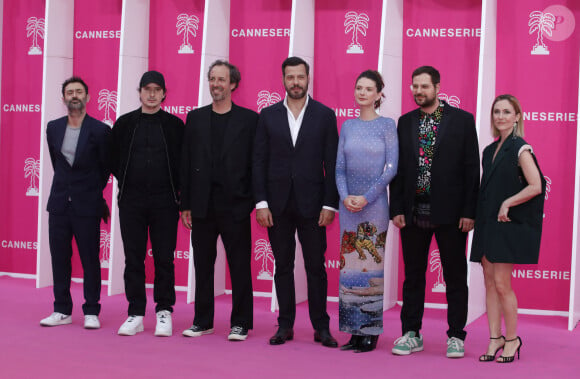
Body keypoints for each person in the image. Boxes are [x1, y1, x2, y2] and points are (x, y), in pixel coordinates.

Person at [390, 66, 479, 358]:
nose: (418, 91)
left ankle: (456, 335)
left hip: (452, 214)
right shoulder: (404, 122)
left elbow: (470, 170)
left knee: (455, 276)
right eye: (414, 86)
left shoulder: (463, 121)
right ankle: (411, 333)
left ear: (438, 87)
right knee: (413, 276)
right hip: (413, 213)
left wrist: (469, 211)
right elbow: (399, 170)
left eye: (424, 86)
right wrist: (397, 208)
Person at [253, 56, 339, 348]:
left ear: (308, 78)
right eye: (290, 77)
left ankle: (321, 327)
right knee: (283, 266)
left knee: (316, 267)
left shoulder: (325, 115)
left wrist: (330, 205)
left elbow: (332, 163)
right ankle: (285, 325)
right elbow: (259, 162)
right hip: (276, 206)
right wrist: (261, 203)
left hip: (314, 205)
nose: (295, 82)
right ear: (283, 80)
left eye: (300, 77)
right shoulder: (267, 115)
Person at [180, 60, 257, 341]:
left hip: (235, 205)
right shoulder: (195, 118)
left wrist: (249, 201)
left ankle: (241, 323)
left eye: (222, 79)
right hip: (201, 205)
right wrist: (185, 203)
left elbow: (255, 164)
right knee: (202, 265)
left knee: (239, 266)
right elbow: (186, 163)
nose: (216, 84)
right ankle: (203, 320)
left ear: (233, 84)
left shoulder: (250, 120)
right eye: (212, 79)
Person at [471, 94, 545, 363]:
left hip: (505, 225)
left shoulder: (520, 147)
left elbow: (536, 185)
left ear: (517, 117)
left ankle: (512, 339)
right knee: (489, 284)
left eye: (506, 112)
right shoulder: (489, 151)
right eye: (496, 112)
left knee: (502, 285)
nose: (500, 116)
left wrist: (508, 203)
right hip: (487, 224)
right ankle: (495, 339)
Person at [110, 71, 184, 337]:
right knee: (134, 259)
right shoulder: (124, 124)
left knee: (165, 258)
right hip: (131, 201)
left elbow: (184, 165)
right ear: (139, 92)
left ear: (164, 93)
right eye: (147, 89)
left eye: (157, 90)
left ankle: (164, 311)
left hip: (165, 201)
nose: (151, 94)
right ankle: (136, 313)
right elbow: (114, 160)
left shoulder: (176, 126)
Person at [335, 70, 398, 353]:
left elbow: (391, 169)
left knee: (370, 266)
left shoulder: (387, 125)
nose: (362, 92)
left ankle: (370, 332)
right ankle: (352, 330)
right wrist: (346, 196)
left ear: (378, 94)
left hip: (374, 208)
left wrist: (366, 197)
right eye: (358, 87)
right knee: (349, 269)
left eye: (368, 88)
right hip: (348, 207)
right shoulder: (347, 126)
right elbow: (339, 168)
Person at [41, 77, 111, 329]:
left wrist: (89, 190)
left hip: (87, 204)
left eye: (79, 92)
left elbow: (105, 168)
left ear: (87, 97)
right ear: (63, 98)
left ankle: (91, 310)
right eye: (69, 92)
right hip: (59, 203)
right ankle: (61, 309)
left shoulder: (100, 130)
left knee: (90, 258)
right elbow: (56, 161)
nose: (74, 96)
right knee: (60, 258)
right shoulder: (53, 128)